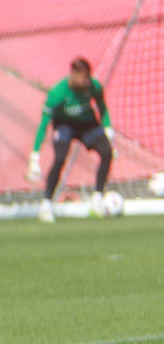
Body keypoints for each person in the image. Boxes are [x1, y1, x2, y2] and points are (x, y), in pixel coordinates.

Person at [25, 56, 113, 222]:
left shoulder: (93, 86)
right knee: (59, 158)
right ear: (73, 74)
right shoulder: (57, 93)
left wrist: (108, 129)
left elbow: (102, 107)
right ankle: (46, 204)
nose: (87, 81)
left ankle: (98, 198)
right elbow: (44, 124)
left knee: (107, 151)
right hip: (64, 125)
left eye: (88, 77)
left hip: (88, 125)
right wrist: (34, 155)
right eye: (84, 77)